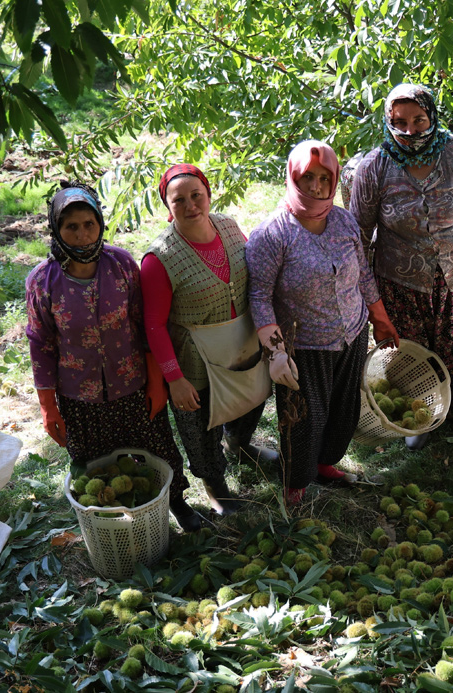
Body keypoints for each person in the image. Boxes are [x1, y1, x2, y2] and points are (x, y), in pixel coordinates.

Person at [350, 83, 453, 451]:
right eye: (400, 122)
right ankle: (421, 416)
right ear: (388, 121)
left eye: (419, 120)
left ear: (432, 116)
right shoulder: (374, 168)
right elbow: (358, 240)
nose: (411, 131)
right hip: (400, 280)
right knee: (410, 349)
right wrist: (370, 302)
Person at [25, 181, 201, 532]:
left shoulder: (120, 265)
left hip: (133, 385)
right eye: (71, 227)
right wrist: (48, 406)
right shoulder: (42, 282)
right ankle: (114, 525)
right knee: (97, 470)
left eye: (89, 224)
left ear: (100, 223)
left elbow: (143, 324)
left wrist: (156, 383)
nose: (82, 235)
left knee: (158, 452)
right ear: (56, 229)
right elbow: (40, 343)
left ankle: (177, 504)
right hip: (80, 398)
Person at [246, 140, 400, 506]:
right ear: (292, 178)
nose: (316, 187)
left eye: (324, 178)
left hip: (351, 333)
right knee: (304, 420)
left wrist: (380, 319)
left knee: (342, 410)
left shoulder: (343, 221)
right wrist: (276, 352)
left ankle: (324, 464)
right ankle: (295, 483)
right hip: (306, 347)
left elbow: (363, 275)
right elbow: (259, 297)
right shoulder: (272, 234)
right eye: (307, 178)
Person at [141, 164, 278, 517]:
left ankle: (240, 444)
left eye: (196, 195)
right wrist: (175, 378)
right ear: (167, 206)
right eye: (179, 200)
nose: (190, 206)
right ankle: (214, 483)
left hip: (242, 341)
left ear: (208, 193)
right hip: (195, 357)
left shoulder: (229, 227)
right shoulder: (160, 259)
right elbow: (153, 325)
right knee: (201, 427)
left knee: (252, 396)